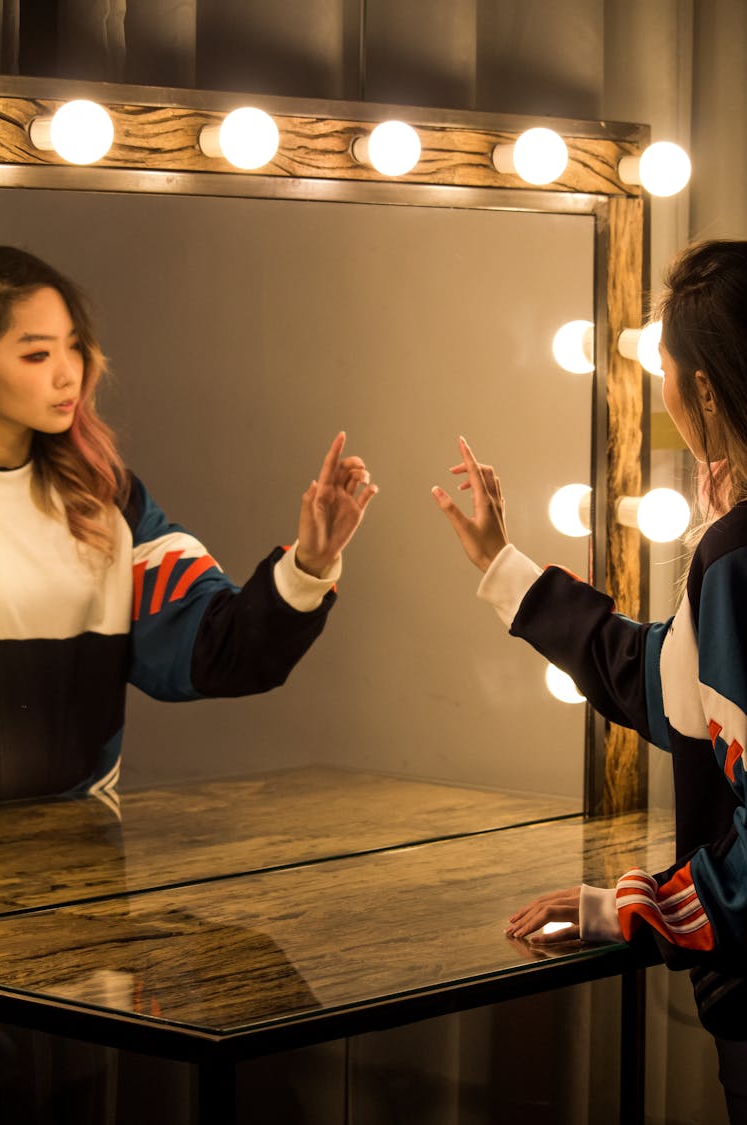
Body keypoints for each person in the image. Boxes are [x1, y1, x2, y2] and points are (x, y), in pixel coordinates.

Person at [432, 240, 747, 1122]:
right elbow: (666, 686)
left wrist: (631, 911)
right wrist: (504, 565)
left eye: (666, 370)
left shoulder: (738, 559)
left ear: (706, 389)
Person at [0, 244, 377, 805]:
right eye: (35, 356)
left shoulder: (108, 501)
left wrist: (309, 566)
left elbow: (217, 649)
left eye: (74, 349)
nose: (67, 375)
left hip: (79, 845)